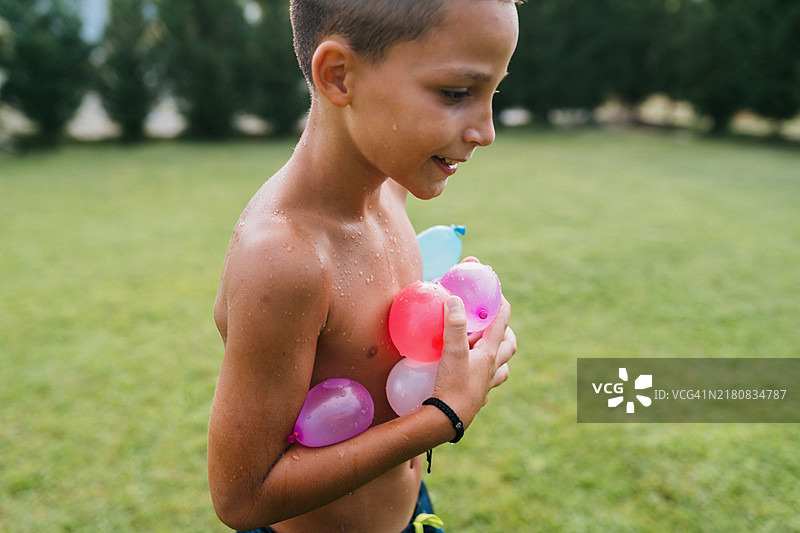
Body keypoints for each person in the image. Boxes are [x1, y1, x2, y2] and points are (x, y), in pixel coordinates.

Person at [208, 1, 520, 531]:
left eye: (494, 91)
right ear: (339, 76)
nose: (485, 130)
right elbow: (243, 498)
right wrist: (443, 415)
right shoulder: (287, 259)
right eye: (456, 93)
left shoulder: (389, 188)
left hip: (409, 513)